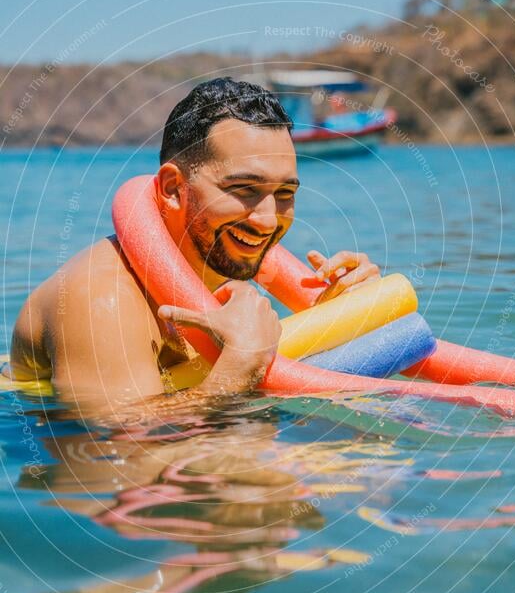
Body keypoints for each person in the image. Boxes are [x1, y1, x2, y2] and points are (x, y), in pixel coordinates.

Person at [9, 78, 380, 409]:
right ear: (173, 189)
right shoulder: (99, 299)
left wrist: (341, 317)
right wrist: (241, 366)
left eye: (284, 192)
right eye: (243, 189)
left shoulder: (217, 257)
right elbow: (109, 466)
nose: (268, 218)